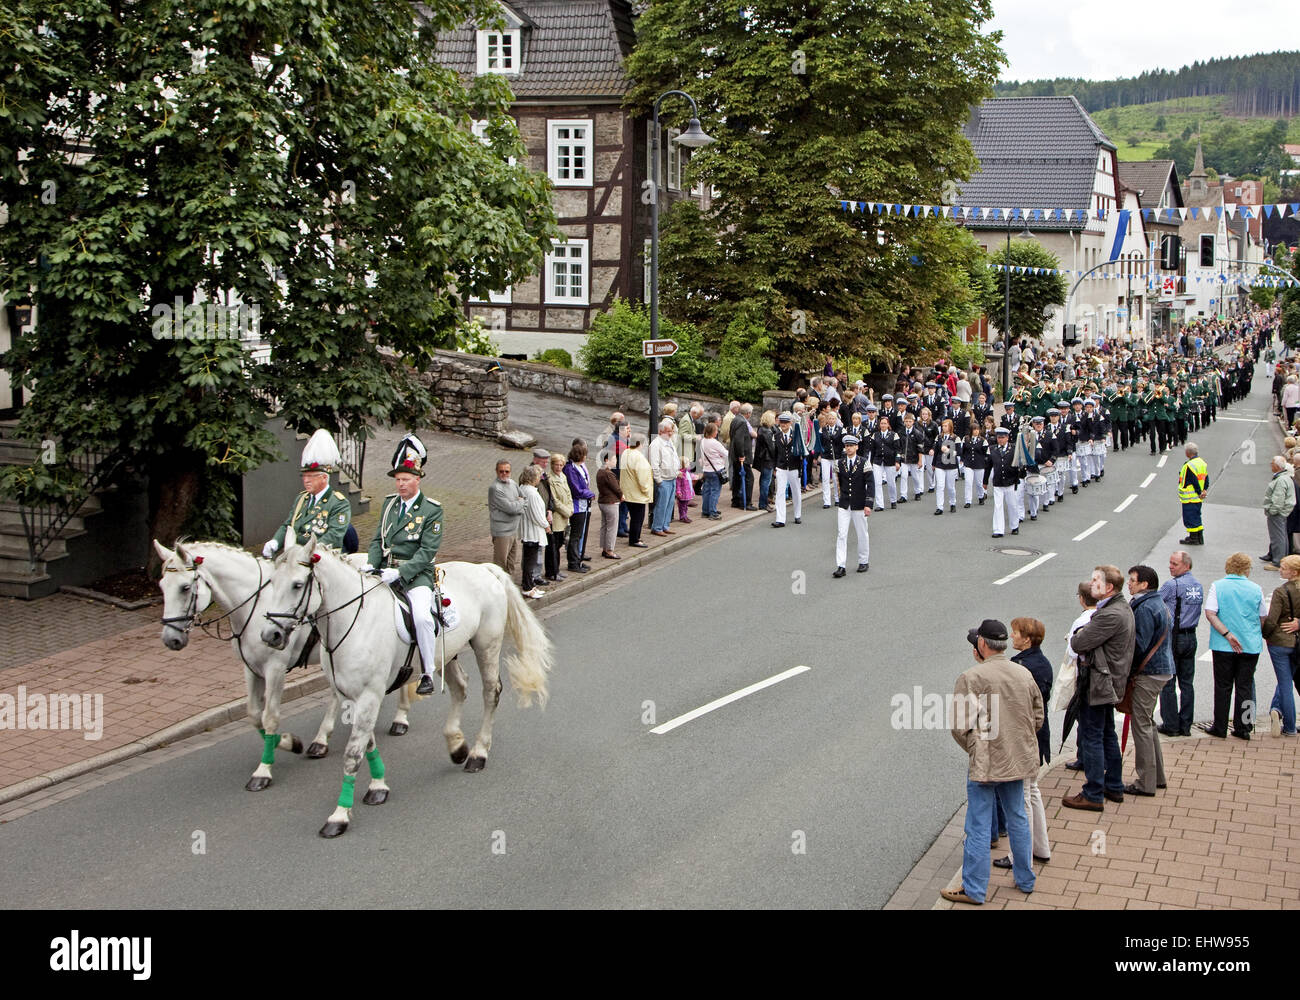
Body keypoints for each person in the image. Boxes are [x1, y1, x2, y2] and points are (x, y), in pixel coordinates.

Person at [940, 619, 1043, 906]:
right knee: (1018, 819)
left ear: (982, 645)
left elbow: (959, 726)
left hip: (986, 763)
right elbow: (1038, 718)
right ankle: (1025, 879)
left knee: (978, 825)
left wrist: (975, 747)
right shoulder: (1023, 673)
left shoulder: (971, 677)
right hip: (1018, 758)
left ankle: (973, 889)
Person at [366, 436, 443, 695]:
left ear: (417, 479)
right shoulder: (389, 504)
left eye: (406, 479)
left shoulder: (431, 510)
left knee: (421, 617)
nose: (400, 484)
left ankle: (427, 672)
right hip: (386, 572)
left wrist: (401, 572)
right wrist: (371, 564)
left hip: (416, 575)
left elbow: (427, 551)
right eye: (398, 479)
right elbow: (378, 538)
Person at [1063, 565, 1134, 811]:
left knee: (1093, 736)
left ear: (1109, 587)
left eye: (1096, 581)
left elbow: (1079, 641)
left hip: (1099, 682)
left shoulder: (1110, 614)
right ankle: (1113, 785)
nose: (1091, 584)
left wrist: (1080, 635)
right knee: (1106, 733)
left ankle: (1093, 792)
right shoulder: (1119, 608)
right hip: (1108, 681)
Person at [991, 617, 1053, 871]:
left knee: (1022, 799)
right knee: (1033, 792)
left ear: (1027, 639)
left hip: (1024, 738)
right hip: (1039, 735)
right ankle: (1041, 847)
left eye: (1015, 633)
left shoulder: (1021, 667)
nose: (1011, 637)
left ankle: (1021, 856)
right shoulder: (1042, 662)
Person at [1124, 565, 1175, 797]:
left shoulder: (1144, 608)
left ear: (1144, 584)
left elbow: (1139, 645)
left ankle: (1146, 782)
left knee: (1141, 725)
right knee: (1148, 722)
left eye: (1132, 580)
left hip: (1149, 672)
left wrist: (1127, 670)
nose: (1129, 583)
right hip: (1162, 668)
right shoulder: (1158, 603)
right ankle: (1157, 777)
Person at [1204, 552, 1266, 740]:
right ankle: (1244, 727)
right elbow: (1262, 615)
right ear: (1247, 568)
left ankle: (1220, 726)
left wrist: (1227, 634)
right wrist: (1252, 632)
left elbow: (1210, 613)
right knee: (1245, 686)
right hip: (1249, 645)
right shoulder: (1256, 588)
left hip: (1223, 645)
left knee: (1222, 686)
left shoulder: (1218, 586)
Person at [264, 429, 353, 558]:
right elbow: (289, 525)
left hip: (320, 557)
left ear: (324, 477)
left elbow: (334, 535)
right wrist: (275, 541)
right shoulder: (302, 498)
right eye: (304, 476)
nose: (306, 480)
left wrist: (307, 552)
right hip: (296, 556)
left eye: (311, 476)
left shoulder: (338, 503)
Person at [1158, 550, 1203, 737]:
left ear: (1186, 565)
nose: (1170, 566)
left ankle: (1171, 724)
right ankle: (1185, 724)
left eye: (1174, 564)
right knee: (1187, 683)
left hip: (1173, 637)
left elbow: (1155, 604)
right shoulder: (1197, 586)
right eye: (1170, 562)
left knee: (1168, 682)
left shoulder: (1171, 585)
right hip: (1191, 636)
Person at [1262, 554, 1300, 737]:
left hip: (1279, 643)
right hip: (1297, 643)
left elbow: (1271, 620)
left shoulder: (1281, 592)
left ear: (1294, 572)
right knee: (1288, 680)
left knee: (1285, 684)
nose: (1280, 570)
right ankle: (1277, 711)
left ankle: (1289, 725)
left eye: (1284, 568)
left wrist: (1265, 635)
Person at [831, 434, 872, 577]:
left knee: (862, 533)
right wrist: (840, 497)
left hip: (859, 503)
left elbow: (870, 484)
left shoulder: (864, 462)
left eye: (851, 446)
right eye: (847, 446)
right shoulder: (839, 463)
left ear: (856, 447)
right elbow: (838, 482)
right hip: (844, 504)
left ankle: (863, 560)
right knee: (842, 534)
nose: (848, 448)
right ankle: (841, 565)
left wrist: (868, 504)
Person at [488, 458, 526, 575]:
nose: (504, 474)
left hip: (513, 530)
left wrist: (518, 504)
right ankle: (498, 588)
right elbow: (511, 508)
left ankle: (509, 586)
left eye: (507, 471)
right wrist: (519, 504)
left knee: (511, 563)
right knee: (500, 564)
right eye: (501, 471)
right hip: (502, 532)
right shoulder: (495, 488)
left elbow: (525, 499)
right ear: (496, 471)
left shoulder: (513, 483)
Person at [563, 440, 595, 573]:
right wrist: (589, 493)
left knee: (580, 535)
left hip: (583, 506)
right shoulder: (570, 469)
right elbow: (576, 489)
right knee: (575, 536)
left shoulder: (579, 467)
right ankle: (573, 563)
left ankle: (579, 559)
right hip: (576, 506)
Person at [517, 465, 548, 598]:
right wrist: (546, 525)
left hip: (528, 530)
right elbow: (537, 515)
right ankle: (527, 587)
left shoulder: (524, 489)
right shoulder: (532, 493)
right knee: (530, 562)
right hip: (532, 532)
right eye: (538, 476)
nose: (540, 479)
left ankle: (531, 585)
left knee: (530, 560)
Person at [1262, 455, 1296, 570]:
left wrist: (1272, 511)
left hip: (1278, 512)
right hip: (1282, 512)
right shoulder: (1286, 477)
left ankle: (1277, 562)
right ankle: (1282, 559)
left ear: (1276, 466)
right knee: (1282, 535)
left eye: (1272, 463)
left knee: (1277, 536)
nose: (1270, 465)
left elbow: (1278, 498)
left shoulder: (1281, 480)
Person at [543, 454, 573, 582]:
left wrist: (571, 509)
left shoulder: (563, 477)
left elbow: (568, 494)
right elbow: (554, 500)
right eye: (556, 465)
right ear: (552, 465)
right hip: (556, 516)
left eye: (561, 465)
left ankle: (557, 569)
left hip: (565, 516)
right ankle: (551, 571)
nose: (559, 467)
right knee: (553, 545)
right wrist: (567, 511)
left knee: (559, 543)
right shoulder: (550, 479)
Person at [620, 434, 653, 548]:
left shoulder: (626, 453)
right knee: (638, 517)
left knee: (633, 516)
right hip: (637, 493)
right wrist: (646, 490)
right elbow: (642, 477)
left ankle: (634, 537)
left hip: (627, 490)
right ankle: (635, 539)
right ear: (640, 444)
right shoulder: (638, 457)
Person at [649, 418, 681, 537]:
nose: (671, 433)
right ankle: (657, 527)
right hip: (663, 479)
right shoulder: (656, 444)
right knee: (661, 504)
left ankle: (665, 525)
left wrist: (677, 472)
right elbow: (654, 464)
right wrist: (658, 480)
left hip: (671, 477)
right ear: (661, 431)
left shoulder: (669, 442)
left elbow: (674, 458)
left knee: (669, 504)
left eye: (671, 431)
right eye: (669, 431)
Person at [771, 411, 803, 527]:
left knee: (796, 492)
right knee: (780, 492)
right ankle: (780, 519)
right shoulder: (776, 436)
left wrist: (800, 466)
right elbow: (774, 453)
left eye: (786, 422)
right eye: (781, 422)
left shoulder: (796, 435)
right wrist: (775, 467)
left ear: (790, 423)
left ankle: (797, 515)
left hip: (794, 467)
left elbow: (801, 451)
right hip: (781, 467)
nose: (783, 425)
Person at [988, 426, 1021, 538]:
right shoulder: (993, 449)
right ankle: (998, 529)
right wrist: (985, 482)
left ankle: (1014, 526)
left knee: (1012, 505)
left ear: (1007, 438)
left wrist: (1017, 480)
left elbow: (1018, 465)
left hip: (1010, 482)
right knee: (998, 506)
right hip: (998, 482)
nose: (1000, 440)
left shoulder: (1013, 448)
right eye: (999, 438)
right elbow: (988, 466)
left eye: (1002, 437)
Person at [1177, 443, 1209, 546]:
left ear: (1187, 453)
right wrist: (1204, 490)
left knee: (1190, 517)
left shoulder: (1189, 465)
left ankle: (1193, 539)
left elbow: (1193, 481)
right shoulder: (1202, 463)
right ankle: (1199, 538)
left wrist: (1199, 492)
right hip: (1198, 498)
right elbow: (1206, 478)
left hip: (1190, 497)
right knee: (1197, 516)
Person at [697, 423, 727, 521]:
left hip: (707, 469)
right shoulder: (715, 442)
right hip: (716, 469)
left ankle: (705, 511)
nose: (717, 432)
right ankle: (712, 512)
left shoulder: (702, 441)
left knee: (706, 491)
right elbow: (726, 453)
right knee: (715, 492)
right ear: (713, 432)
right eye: (716, 430)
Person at [596, 449, 622, 561]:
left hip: (602, 502)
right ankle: (610, 550)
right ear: (607, 460)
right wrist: (622, 495)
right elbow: (616, 488)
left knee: (604, 526)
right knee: (612, 527)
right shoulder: (608, 474)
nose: (615, 461)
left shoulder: (600, 472)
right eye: (614, 459)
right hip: (611, 502)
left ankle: (604, 548)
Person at [729, 403, 756, 509]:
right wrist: (741, 455)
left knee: (737, 478)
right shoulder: (742, 422)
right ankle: (746, 502)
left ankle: (735, 500)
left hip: (735, 454)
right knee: (749, 478)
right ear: (748, 413)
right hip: (741, 456)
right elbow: (739, 440)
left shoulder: (736, 419)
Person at [932, 418, 961, 514]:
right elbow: (936, 451)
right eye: (943, 426)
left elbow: (959, 452)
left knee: (950, 487)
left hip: (951, 465)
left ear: (950, 427)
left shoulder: (956, 438)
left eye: (946, 426)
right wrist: (933, 464)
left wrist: (948, 451)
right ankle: (939, 507)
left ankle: (952, 503)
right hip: (940, 464)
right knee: (940, 486)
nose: (944, 428)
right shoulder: (939, 437)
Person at [754, 410, 777, 512]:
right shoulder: (767, 432)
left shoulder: (762, 429)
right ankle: (763, 503)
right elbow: (771, 447)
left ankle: (763, 502)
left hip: (763, 459)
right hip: (767, 459)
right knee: (765, 482)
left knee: (764, 481)